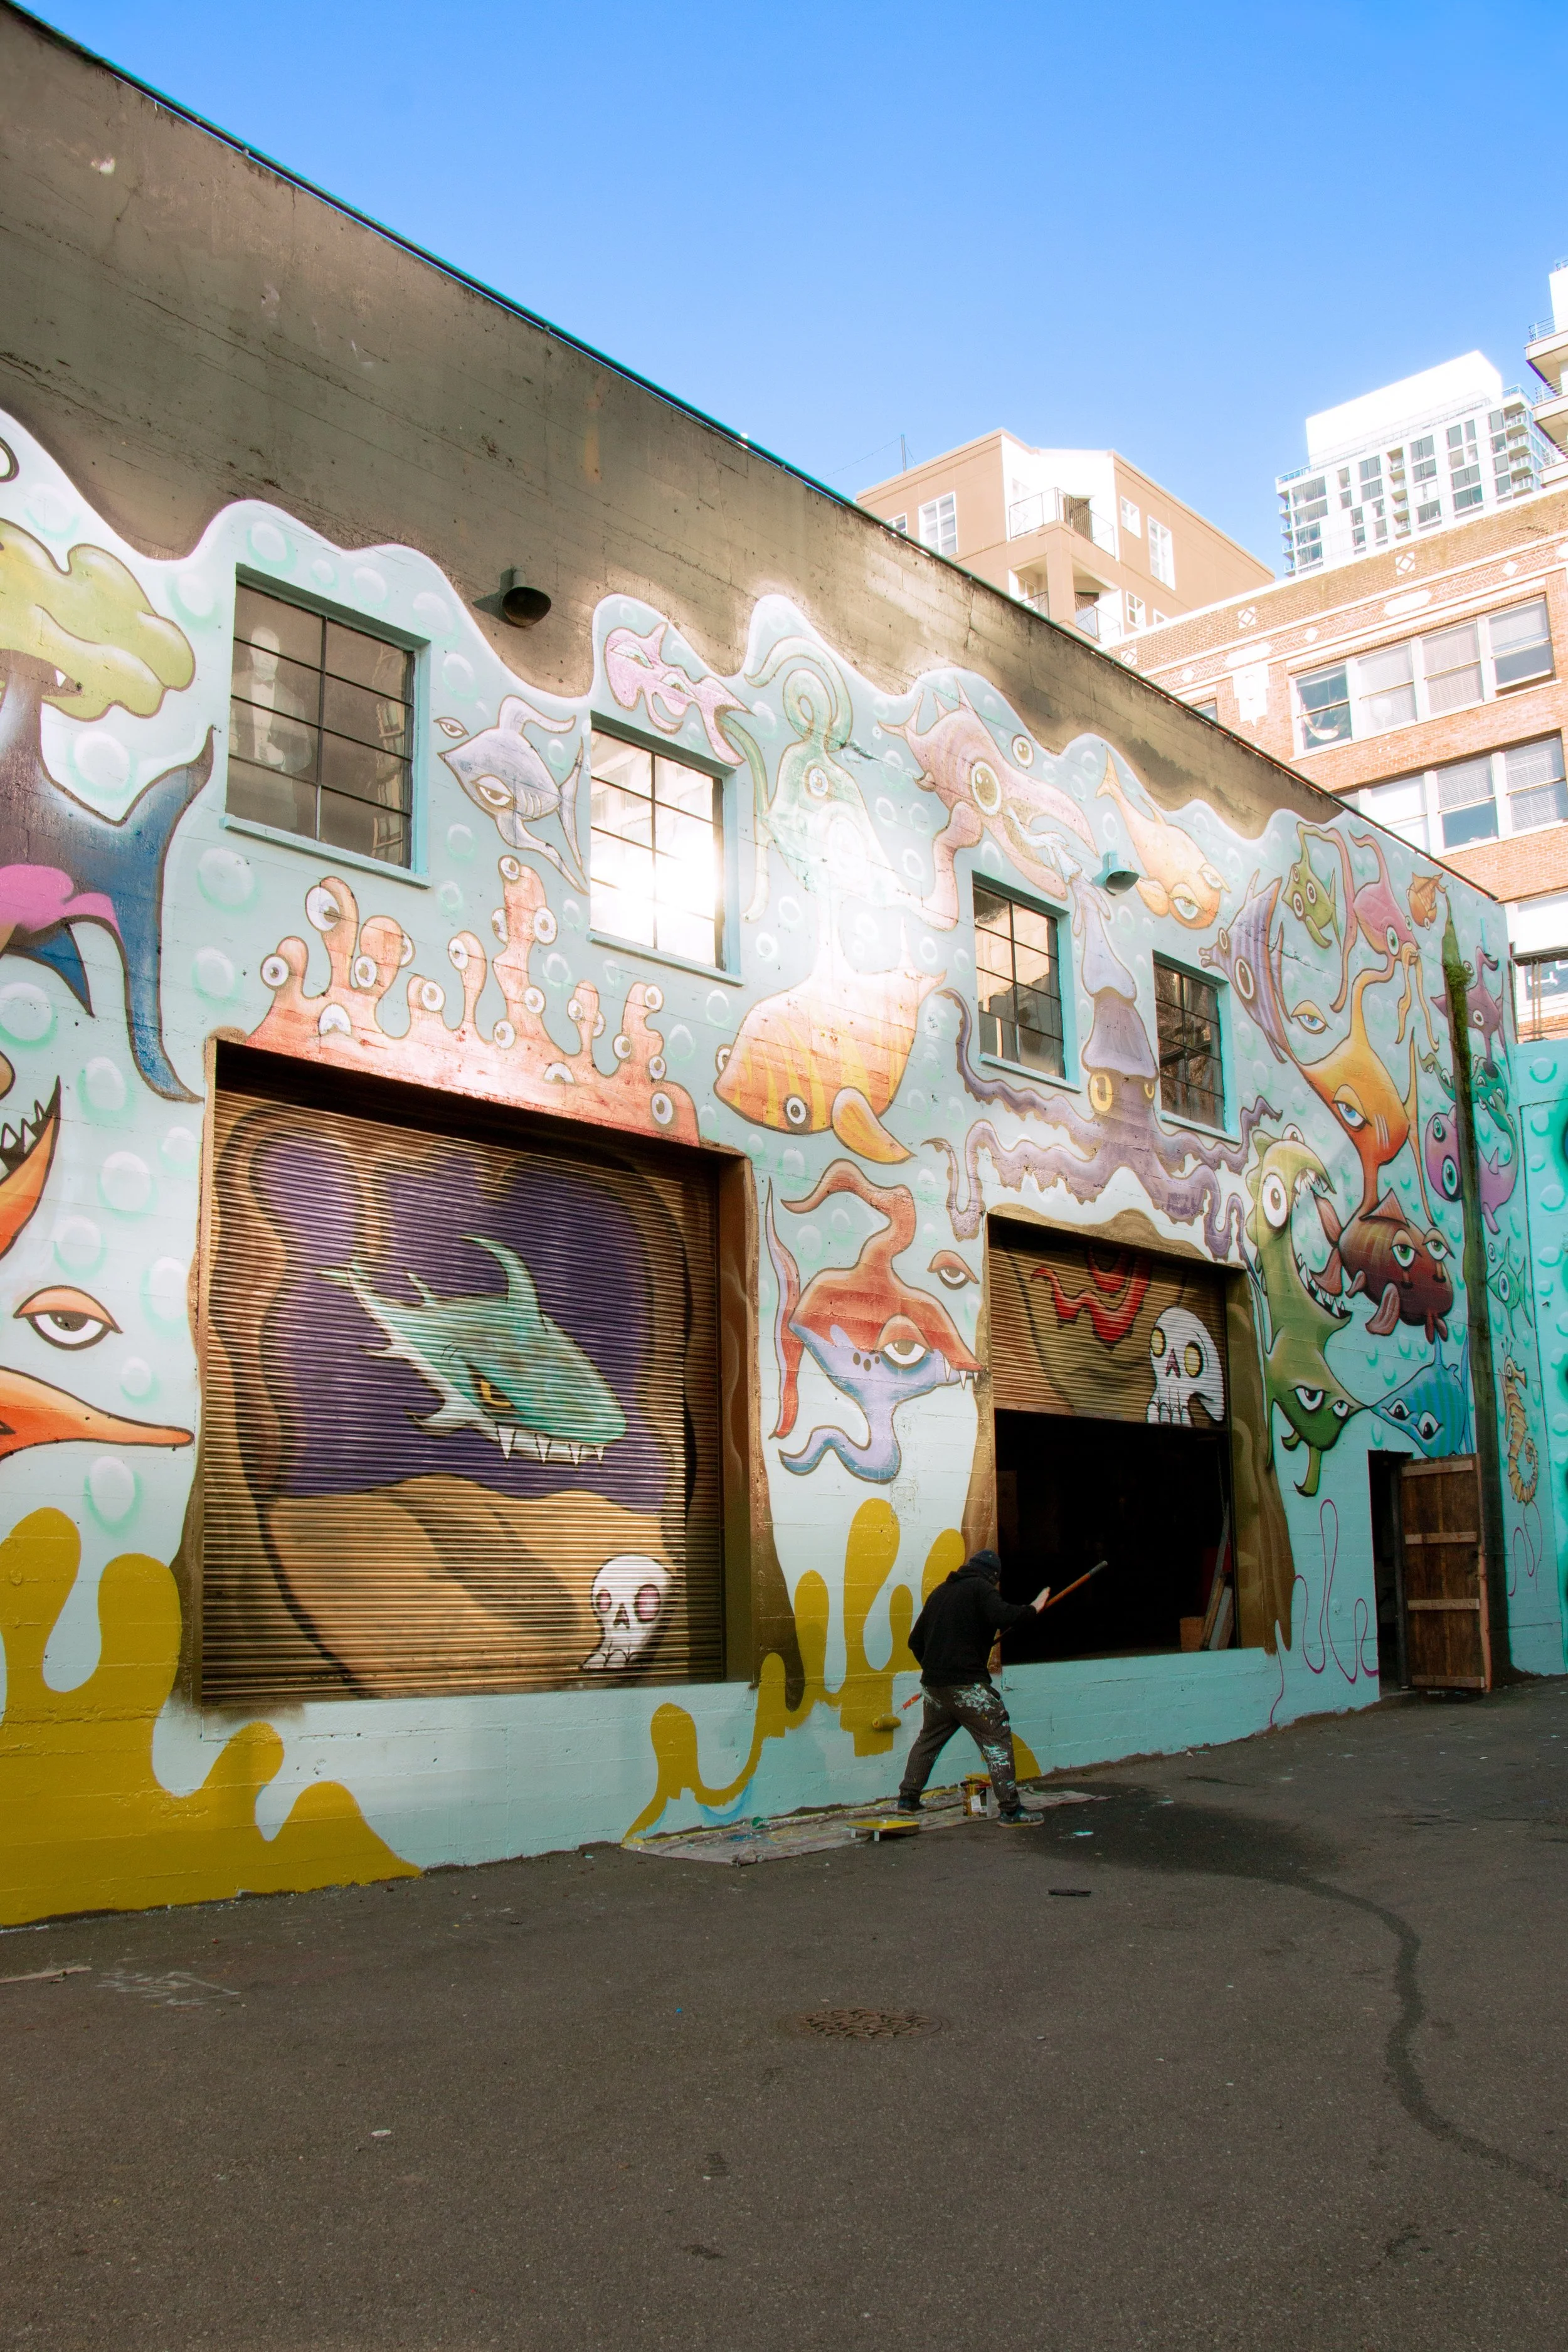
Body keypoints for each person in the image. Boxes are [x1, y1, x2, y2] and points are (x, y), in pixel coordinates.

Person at [896, 1549, 1052, 1825]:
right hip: (968, 1686)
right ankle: (1011, 1810)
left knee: (928, 1740)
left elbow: (914, 1641)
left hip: (934, 1687)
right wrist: (1033, 1608)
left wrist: (937, 1669)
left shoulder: (941, 1592)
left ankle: (908, 1800)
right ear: (993, 1576)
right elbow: (1004, 1616)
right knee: (997, 1738)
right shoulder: (981, 1588)